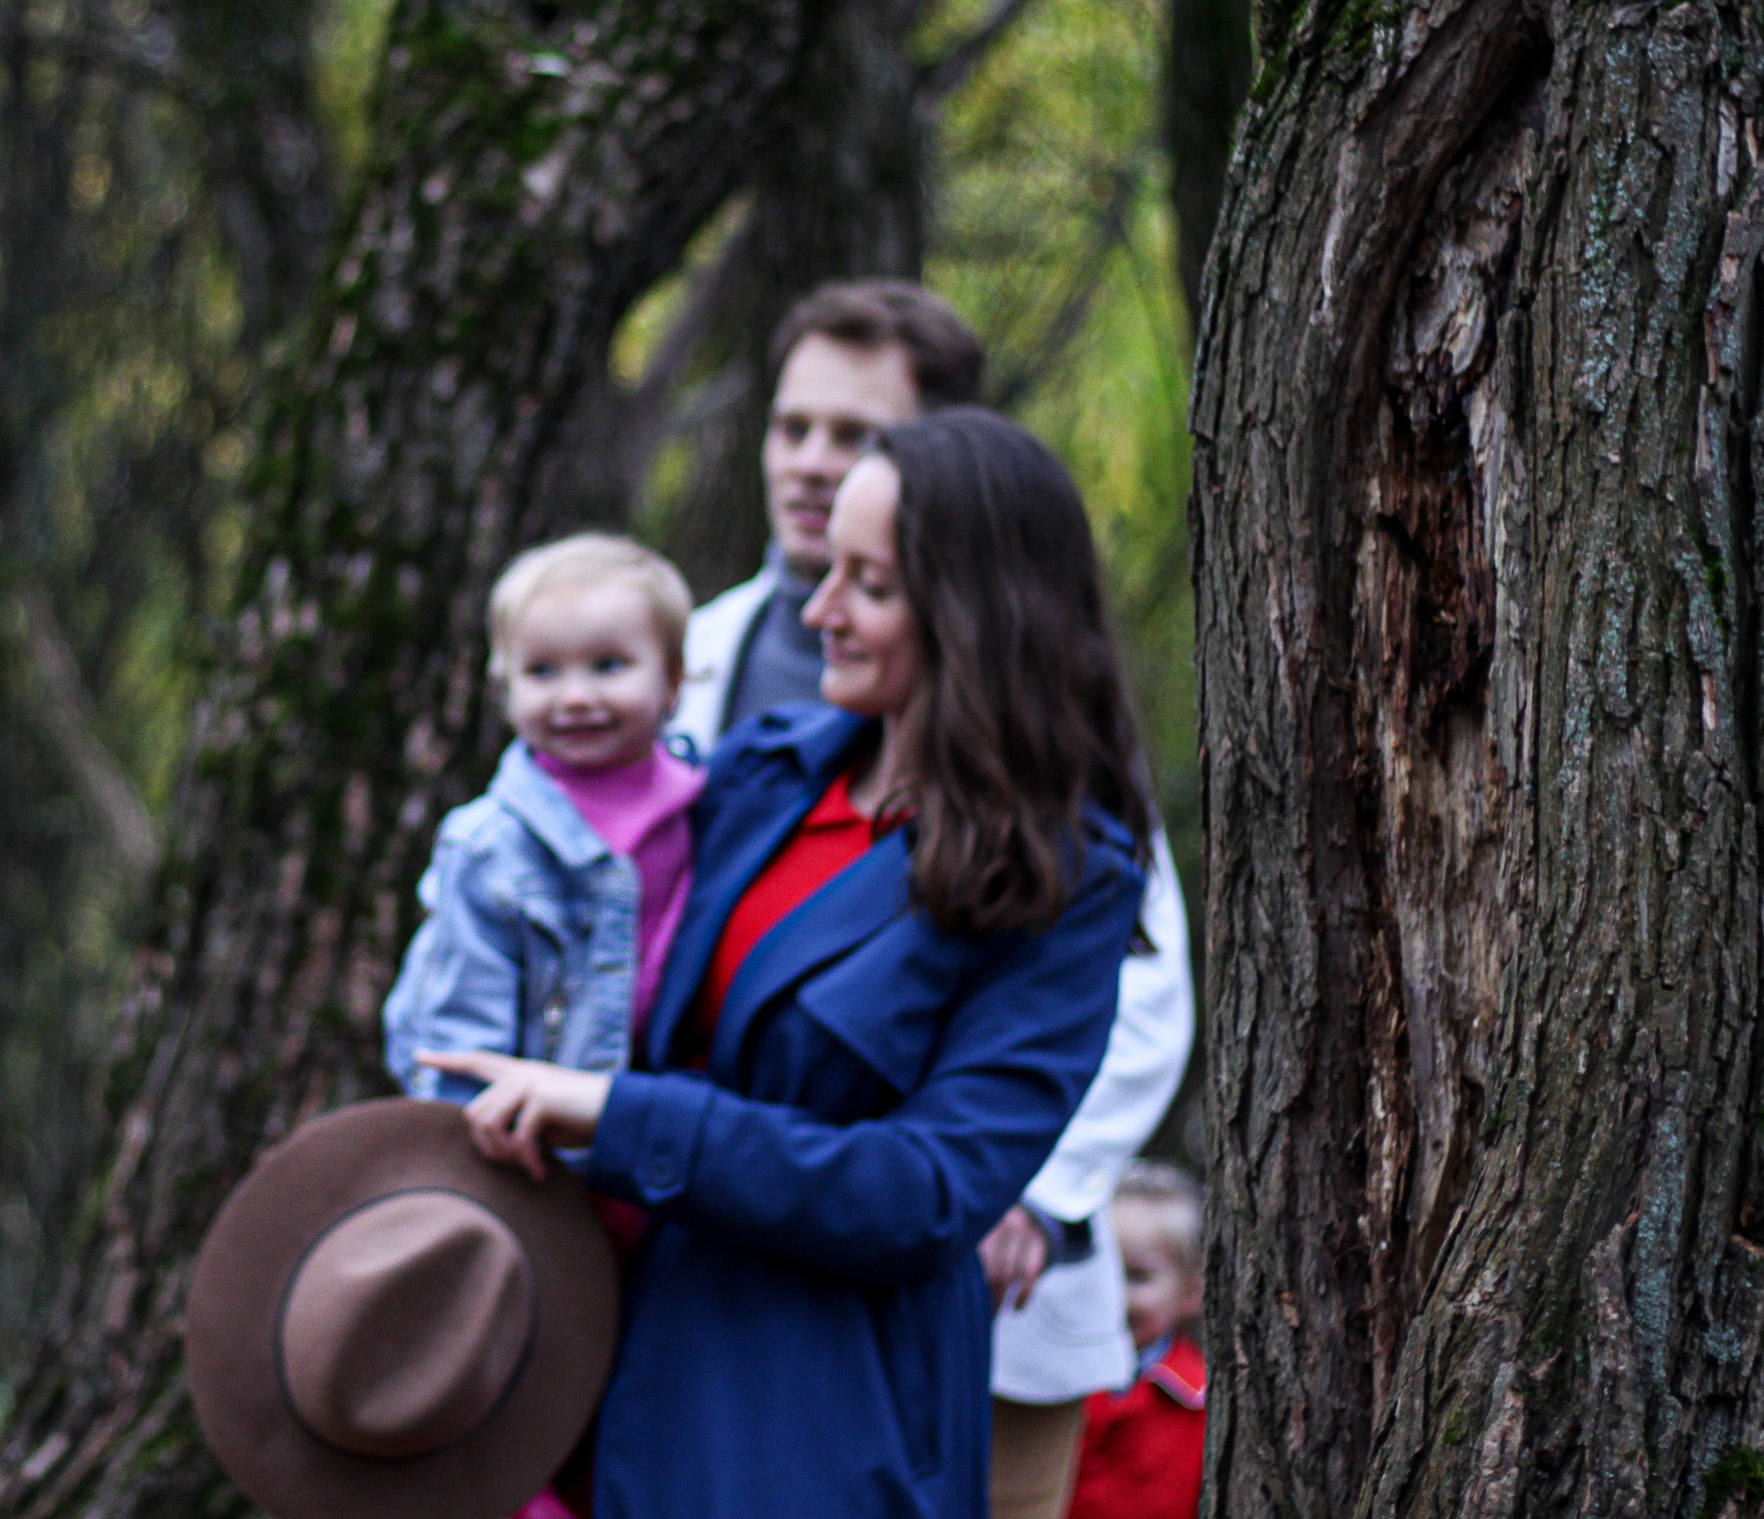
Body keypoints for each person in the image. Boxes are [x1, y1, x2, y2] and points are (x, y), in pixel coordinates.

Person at [422, 408, 1150, 1519]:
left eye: (869, 585)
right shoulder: (759, 773)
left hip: (820, 1416)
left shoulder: (1065, 875)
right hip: (613, 1353)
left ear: (974, 613)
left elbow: (927, 1192)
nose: (819, 611)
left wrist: (622, 1115)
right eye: (827, 571)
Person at [669, 279, 1194, 1519]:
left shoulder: (1046, 756)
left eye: (853, 433)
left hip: (975, 1288)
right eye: (792, 425)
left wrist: (1021, 1184)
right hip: (722, 1296)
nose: (812, 461)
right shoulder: (692, 657)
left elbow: (1131, 982)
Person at [382, 532, 705, 1105]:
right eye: (542, 671)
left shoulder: (711, 808)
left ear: (673, 679)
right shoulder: (488, 846)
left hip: (663, 1121)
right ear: (504, 687)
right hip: (528, 1130)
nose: (575, 697)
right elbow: (459, 1028)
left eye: (608, 666)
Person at [1061, 1164, 1207, 1519]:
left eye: (1137, 1276)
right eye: (1101, 1271)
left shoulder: (1202, 1403)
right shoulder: (1049, 1378)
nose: (1112, 1295)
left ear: (1191, 1290)